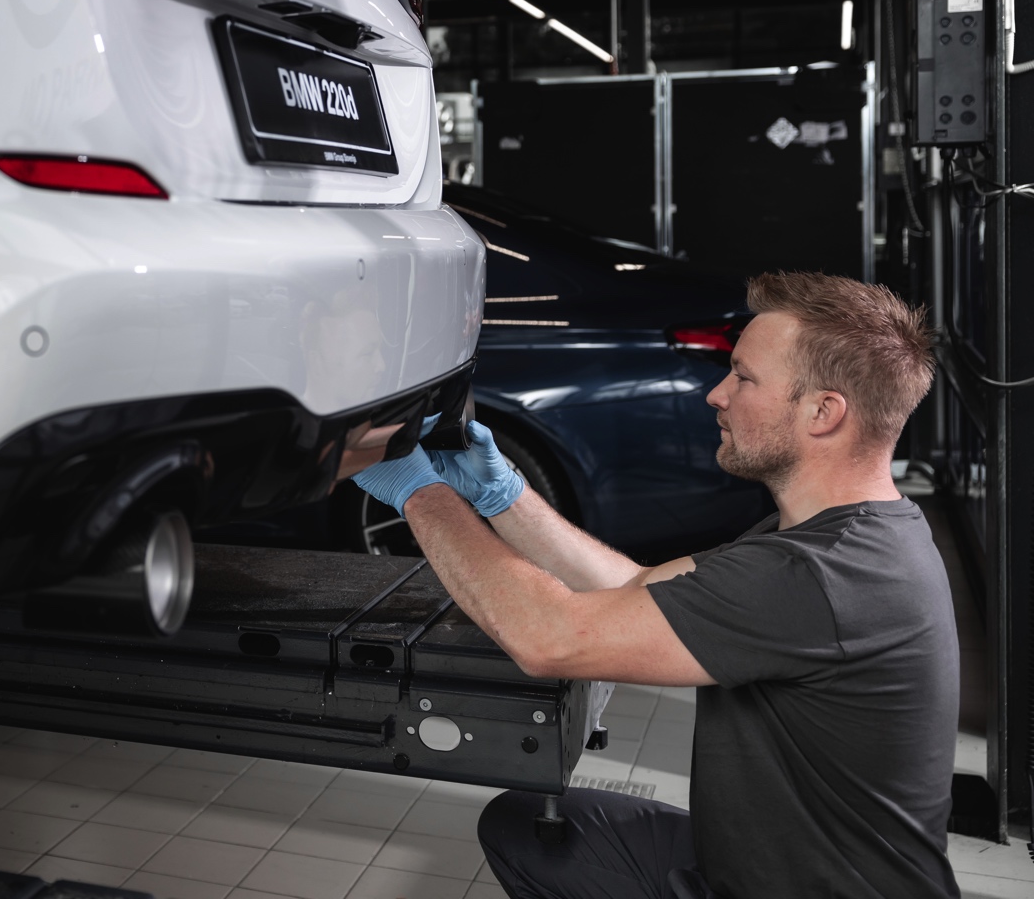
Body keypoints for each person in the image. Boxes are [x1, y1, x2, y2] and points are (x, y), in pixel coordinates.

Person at [341, 272, 958, 899]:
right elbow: (637, 584)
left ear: (823, 412)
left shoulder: (821, 575)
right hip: (763, 862)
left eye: (743, 378)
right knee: (527, 828)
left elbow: (548, 639)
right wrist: (502, 495)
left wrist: (421, 494)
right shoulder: (852, 533)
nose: (717, 394)